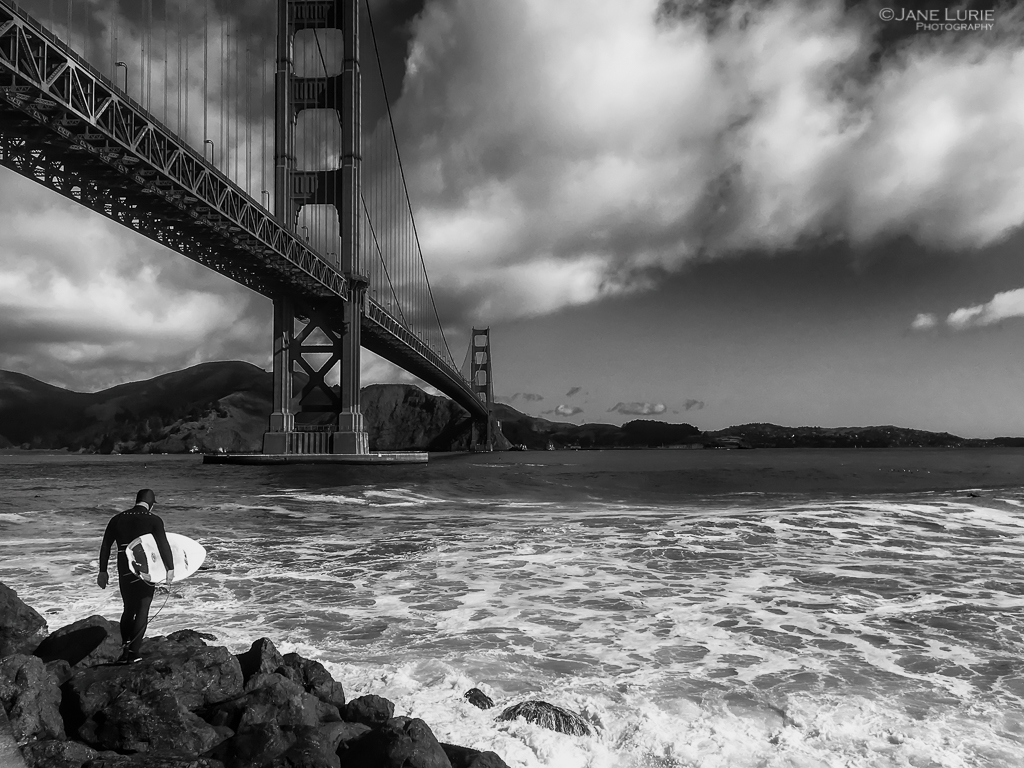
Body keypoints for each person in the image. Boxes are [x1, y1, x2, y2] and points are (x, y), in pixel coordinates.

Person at [97, 489, 175, 663]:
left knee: (128, 607)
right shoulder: (154, 520)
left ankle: (125, 650)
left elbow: (105, 546)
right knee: (142, 608)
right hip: (144, 566)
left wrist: (103, 571)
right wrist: (170, 568)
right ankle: (134, 653)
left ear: (137, 500)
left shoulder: (117, 519)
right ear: (151, 503)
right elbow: (163, 545)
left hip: (124, 565)